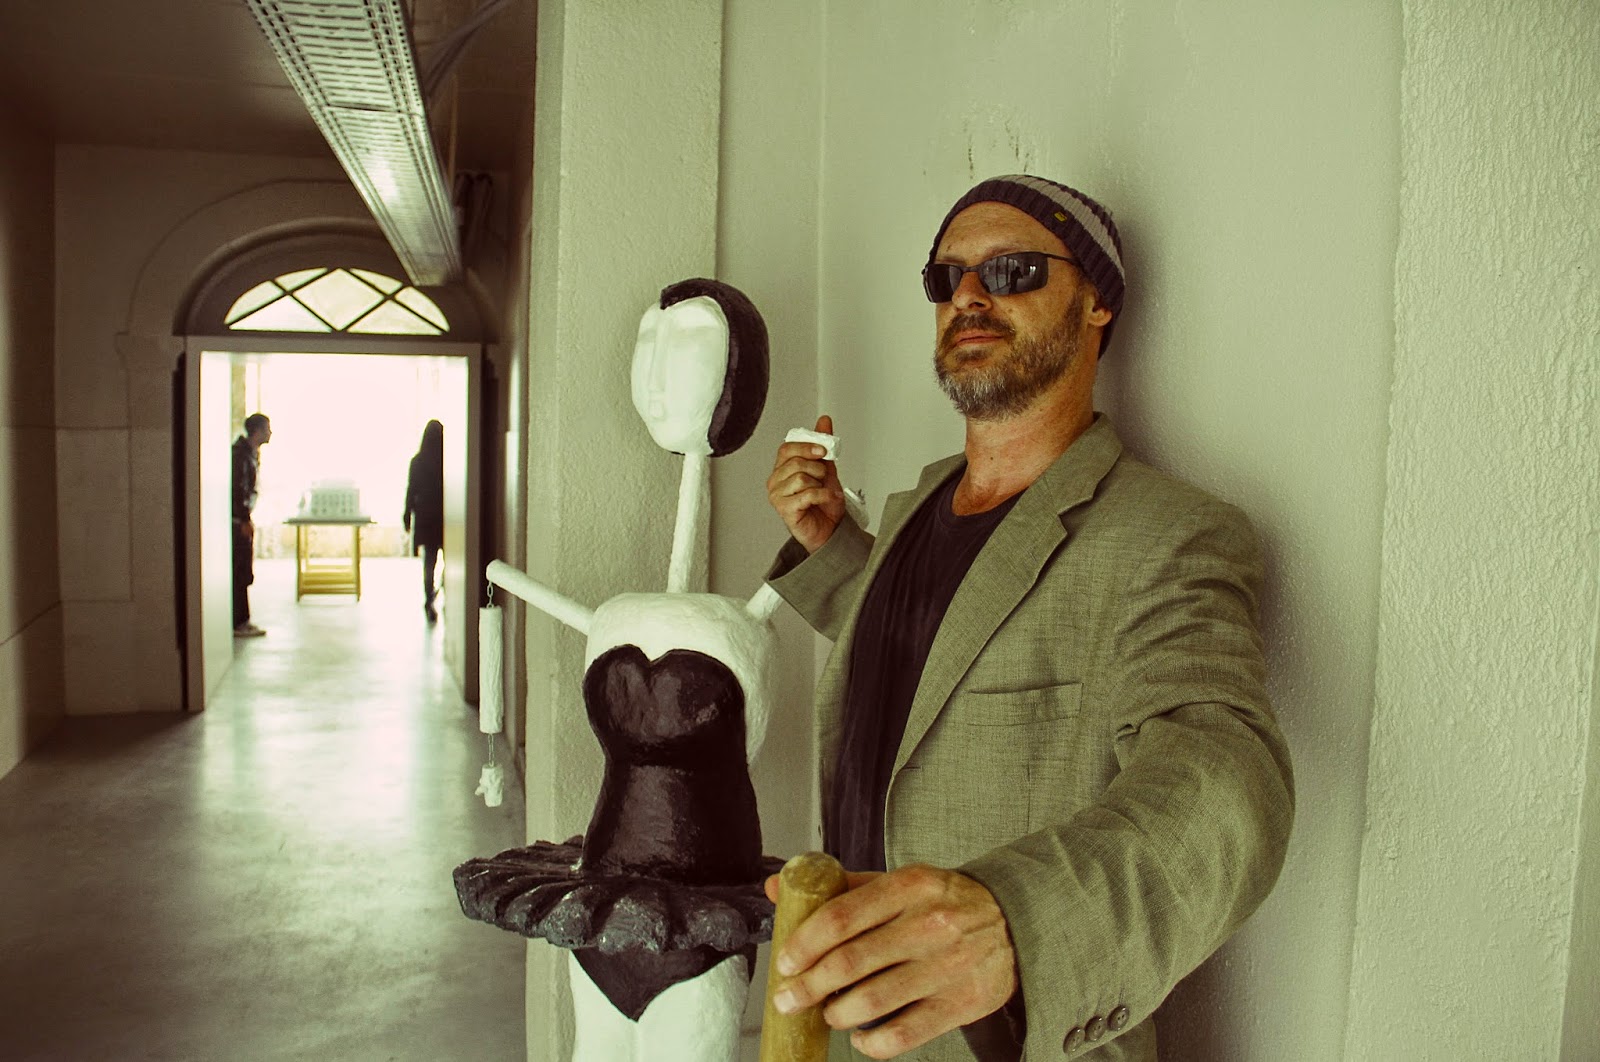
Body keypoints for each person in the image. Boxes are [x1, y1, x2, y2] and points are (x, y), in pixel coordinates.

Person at [762, 175, 1294, 1062]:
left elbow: (1226, 774)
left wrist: (1021, 922)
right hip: (856, 1019)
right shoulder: (917, 503)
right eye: (946, 278)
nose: (969, 294)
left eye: (1012, 270)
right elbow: (950, 665)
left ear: (1096, 304)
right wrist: (833, 548)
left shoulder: (1169, 536)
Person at [232, 412, 271, 638]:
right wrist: (244, 519)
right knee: (240, 571)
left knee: (244, 572)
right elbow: (238, 490)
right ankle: (239, 622)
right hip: (238, 522)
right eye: (267, 428)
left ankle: (242, 620)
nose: (270, 433)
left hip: (242, 520)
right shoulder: (240, 456)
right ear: (257, 431)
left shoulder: (250, 454)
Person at [403, 419, 445, 622]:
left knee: (429, 562)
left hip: (426, 518)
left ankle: (429, 600)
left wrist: (407, 515)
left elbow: (411, 489)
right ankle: (442, 594)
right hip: (444, 517)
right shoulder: (446, 460)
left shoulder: (417, 461)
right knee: (453, 561)